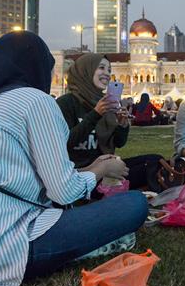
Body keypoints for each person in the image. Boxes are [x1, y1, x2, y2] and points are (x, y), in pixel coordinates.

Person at [0, 31, 147, 286]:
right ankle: (83, 249)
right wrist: (101, 169)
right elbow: (64, 193)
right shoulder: (35, 101)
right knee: (135, 204)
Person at [56, 54, 164, 190]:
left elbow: (119, 142)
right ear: (86, 71)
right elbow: (65, 143)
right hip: (82, 173)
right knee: (145, 177)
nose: (107, 74)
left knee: (155, 161)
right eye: (101, 68)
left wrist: (122, 124)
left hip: (109, 167)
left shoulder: (106, 101)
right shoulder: (67, 103)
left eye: (109, 70)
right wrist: (95, 114)